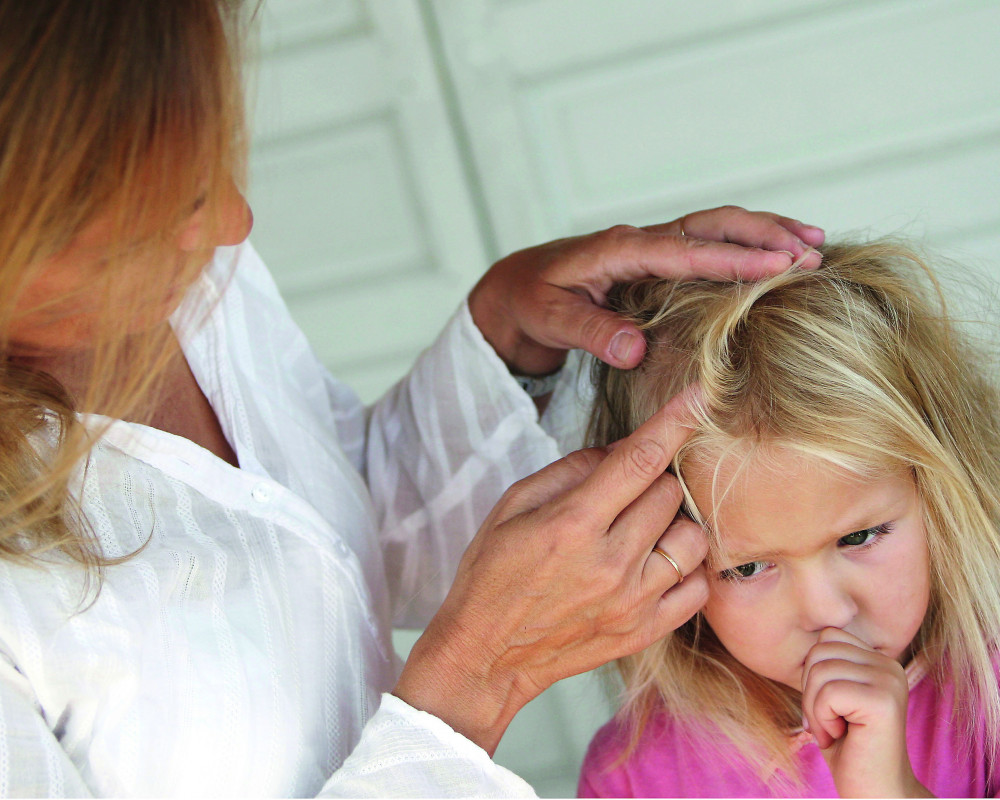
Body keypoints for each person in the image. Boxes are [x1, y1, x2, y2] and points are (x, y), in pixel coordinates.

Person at [0, 1, 826, 796]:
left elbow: (316, 548)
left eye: (206, 163)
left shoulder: (188, 281)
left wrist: (508, 345)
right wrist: (473, 686)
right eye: (148, 218)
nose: (231, 222)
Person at [577, 240, 1000, 797]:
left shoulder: (986, 688)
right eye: (747, 569)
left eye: (859, 536)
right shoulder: (634, 776)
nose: (828, 613)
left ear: (938, 488)